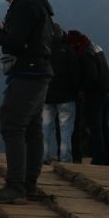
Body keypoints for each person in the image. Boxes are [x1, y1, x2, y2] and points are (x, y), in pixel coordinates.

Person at [0, 0, 54, 204]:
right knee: (32, 130)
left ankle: (15, 186)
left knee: (13, 125)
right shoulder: (40, 5)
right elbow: (27, 37)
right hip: (41, 73)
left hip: (27, 74)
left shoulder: (23, 6)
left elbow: (14, 43)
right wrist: (7, 30)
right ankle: (30, 183)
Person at [67, 29, 109, 165]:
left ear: (75, 43)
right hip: (106, 91)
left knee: (96, 127)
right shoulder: (95, 47)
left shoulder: (86, 53)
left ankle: (99, 158)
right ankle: (108, 156)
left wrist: (82, 89)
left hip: (95, 94)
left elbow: (91, 75)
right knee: (105, 127)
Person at [42, 24, 80, 164]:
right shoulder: (68, 51)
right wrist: (75, 92)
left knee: (45, 129)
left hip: (46, 96)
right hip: (66, 97)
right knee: (65, 130)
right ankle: (65, 159)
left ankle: (43, 157)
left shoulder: (44, 51)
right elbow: (76, 74)